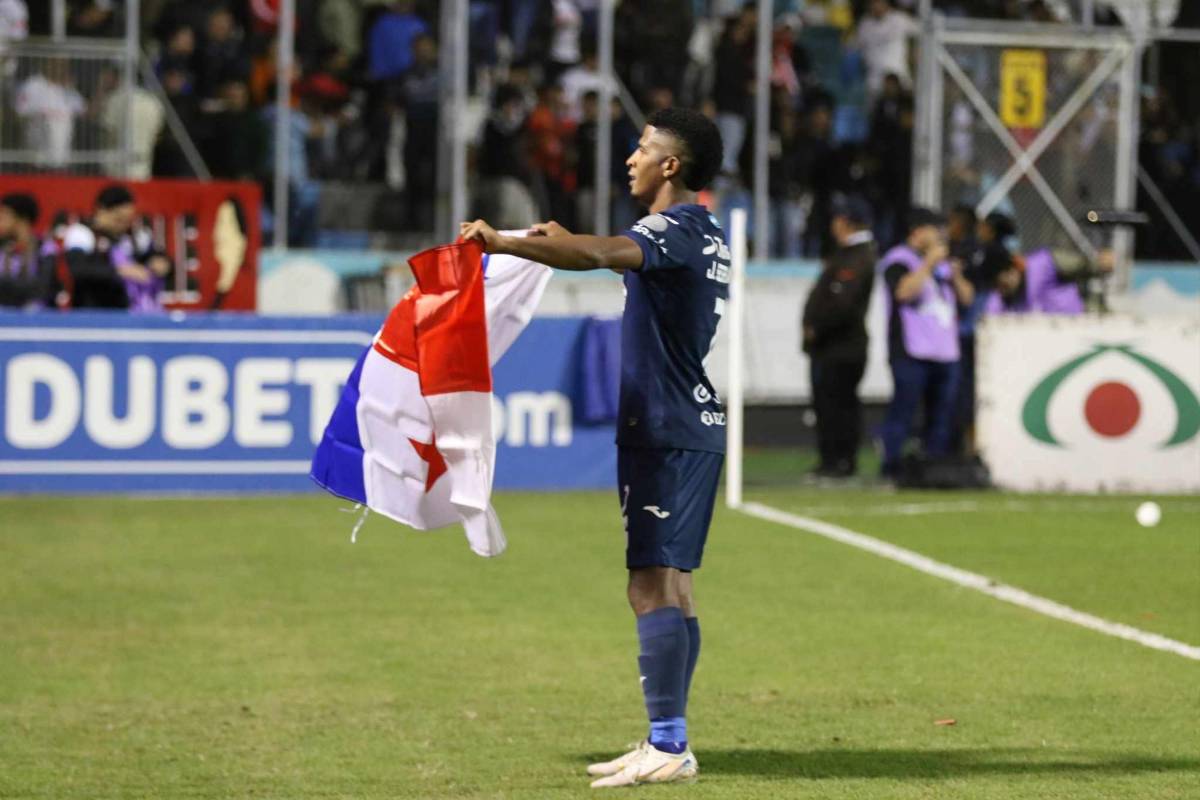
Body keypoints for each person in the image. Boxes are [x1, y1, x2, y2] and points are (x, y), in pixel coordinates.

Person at [461, 107, 726, 788]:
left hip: (664, 429)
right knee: (674, 587)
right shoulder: (702, 230)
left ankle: (669, 744)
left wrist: (507, 245)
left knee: (647, 585)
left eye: (642, 148)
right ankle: (667, 738)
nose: (631, 158)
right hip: (683, 424)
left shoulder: (669, 228)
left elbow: (603, 254)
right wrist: (556, 237)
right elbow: (604, 252)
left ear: (672, 165)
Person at [878, 208, 974, 478]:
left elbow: (967, 299)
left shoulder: (945, 264)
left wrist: (954, 275)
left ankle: (935, 467)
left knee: (942, 416)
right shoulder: (899, 260)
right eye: (935, 229)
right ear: (917, 231)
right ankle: (892, 466)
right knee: (904, 411)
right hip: (911, 350)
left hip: (945, 351)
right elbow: (903, 292)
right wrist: (928, 264)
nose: (940, 235)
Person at [802, 195, 877, 478]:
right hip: (834, 345)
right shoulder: (849, 253)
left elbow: (842, 303)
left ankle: (840, 461)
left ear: (845, 222)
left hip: (841, 346)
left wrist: (816, 326)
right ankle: (832, 461)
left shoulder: (857, 257)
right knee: (829, 404)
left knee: (838, 405)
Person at [58, 184, 171, 310]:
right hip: (92, 314)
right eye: (118, 219)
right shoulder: (82, 233)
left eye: (128, 220)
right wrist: (120, 271)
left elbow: (158, 257)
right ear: (101, 210)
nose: (123, 225)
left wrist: (163, 263)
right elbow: (78, 269)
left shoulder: (135, 237)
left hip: (129, 314)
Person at [0, 193, 53, 308]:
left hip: (35, 320)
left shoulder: (45, 248)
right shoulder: (2, 248)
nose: (1, 219)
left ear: (23, 219)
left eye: (5, 214)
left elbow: (42, 289)